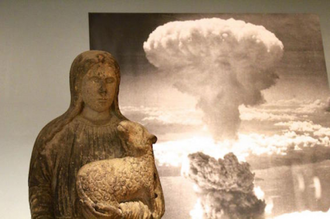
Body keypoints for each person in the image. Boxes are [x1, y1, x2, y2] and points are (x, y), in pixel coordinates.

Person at [28, 50, 165, 219]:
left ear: (117, 85)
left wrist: (122, 212)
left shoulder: (133, 135)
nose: (103, 90)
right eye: (94, 80)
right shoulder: (54, 138)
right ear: (78, 84)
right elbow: (40, 204)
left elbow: (155, 205)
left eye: (109, 81)